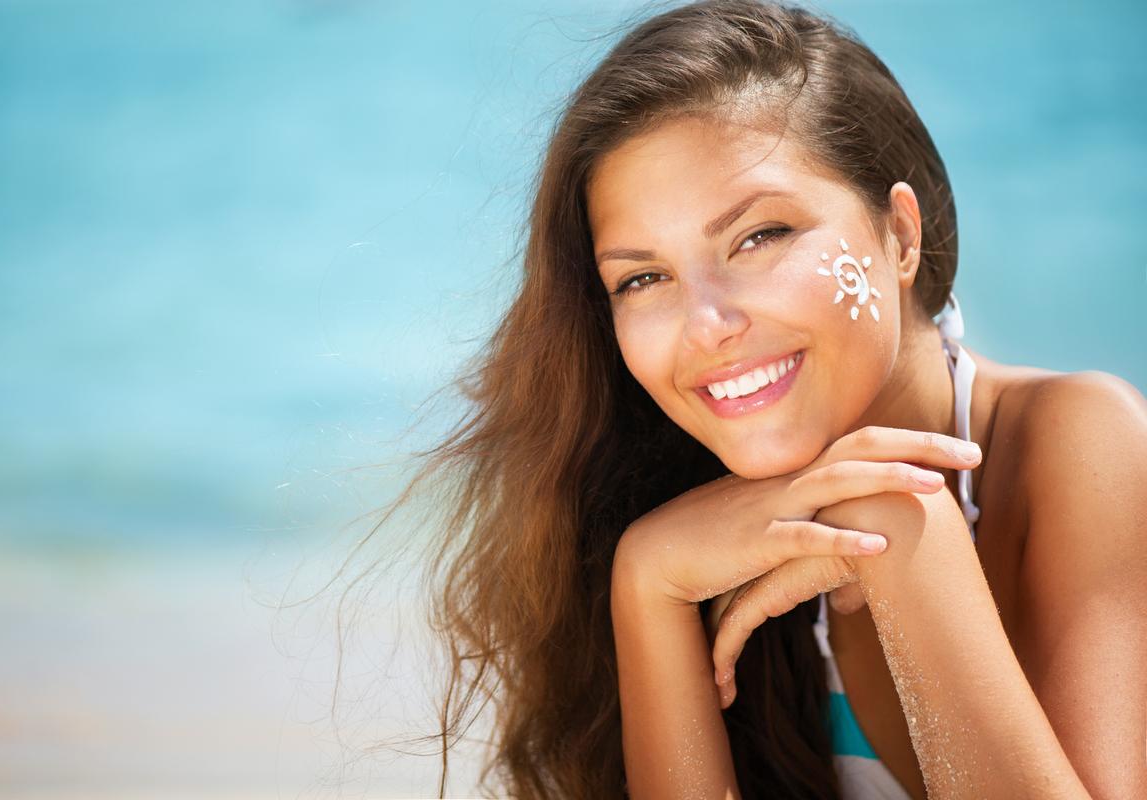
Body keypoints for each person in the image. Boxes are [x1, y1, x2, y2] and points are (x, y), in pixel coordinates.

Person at [382, 1, 1147, 797]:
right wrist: (647, 584)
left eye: (759, 237)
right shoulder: (682, 536)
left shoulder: (1081, 440)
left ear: (901, 236)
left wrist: (896, 528)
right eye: (643, 278)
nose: (706, 327)